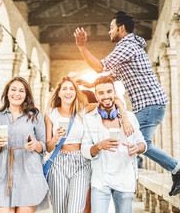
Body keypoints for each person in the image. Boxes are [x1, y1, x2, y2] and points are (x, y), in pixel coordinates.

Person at [74, 11, 180, 196]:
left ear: (121, 28)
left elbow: (100, 67)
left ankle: (176, 170)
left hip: (149, 105)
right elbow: (111, 76)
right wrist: (91, 84)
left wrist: (82, 47)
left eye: (111, 28)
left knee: (141, 143)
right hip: (149, 105)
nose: (109, 32)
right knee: (131, 141)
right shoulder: (129, 48)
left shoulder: (127, 45)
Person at [81, 76, 147, 213]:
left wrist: (137, 148)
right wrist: (99, 146)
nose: (105, 96)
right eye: (101, 93)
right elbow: (85, 150)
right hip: (100, 181)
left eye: (109, 91)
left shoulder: (129, 117)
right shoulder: (89, 119)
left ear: (114, 93)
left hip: (125, 179)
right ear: (96, 96)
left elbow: (143, 144)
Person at [0, 77, 48, 213]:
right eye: (13, 90)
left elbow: (43, 146)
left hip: (28, 173)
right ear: (7, 93)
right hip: (4, 175)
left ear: (26, 95)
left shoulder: (35, 116)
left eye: (21, 91)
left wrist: (35, 144)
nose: (17, 94)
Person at [45, 76, 91, 213]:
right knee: (59, 209)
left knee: (75, 209)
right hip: (58, 162)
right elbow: (48, 147)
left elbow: (108, 102)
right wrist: (55, 138)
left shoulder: (83, 111)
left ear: (76, 93)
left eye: (72, 89)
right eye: (64, 89)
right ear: (58, 93)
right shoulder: (51, 115)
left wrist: (124, 115)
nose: (68, 92)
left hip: (81, 162)